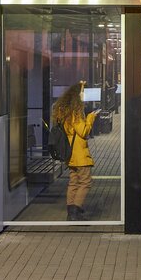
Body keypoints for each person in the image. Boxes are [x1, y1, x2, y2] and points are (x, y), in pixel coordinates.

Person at [51, 81, 100, 221]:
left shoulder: (63, 111)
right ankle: (75, 210)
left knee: (74, 181)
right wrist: (90, 118)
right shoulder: (75, 113)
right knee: (85, 181)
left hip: (70, 153)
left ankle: (71, 209)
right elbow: (83, 131)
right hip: (79, 153)